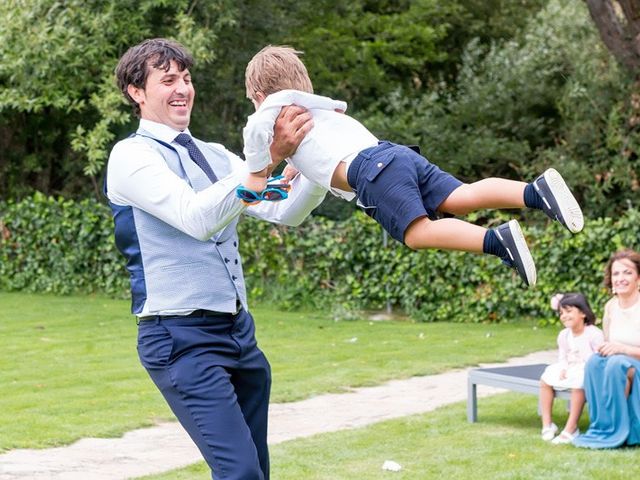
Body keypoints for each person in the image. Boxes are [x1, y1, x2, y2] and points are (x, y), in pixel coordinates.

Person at [106, 38, 327, 480]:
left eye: (186, 79)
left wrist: (319, 163)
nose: (182, 89)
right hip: (179, 338)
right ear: (136, 92)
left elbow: (284, 209)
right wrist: (265, 163)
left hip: (239, 333)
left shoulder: (216, 156)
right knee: (241, 473)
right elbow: (195, 216)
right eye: (167, 80)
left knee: (255, 471)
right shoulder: (131, 156)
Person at [240, 45, 586, 288]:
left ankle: (497, 240)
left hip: (371, 173)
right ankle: (534, 192)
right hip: (392, 154)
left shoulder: (268, 112)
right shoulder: (316, 107)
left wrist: (257, 173)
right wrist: (291, 169)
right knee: (460, 195)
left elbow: (255, 135)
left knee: (417, 233)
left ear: (258, 95)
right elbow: (321, 150)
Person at [573, 249, 640, 449]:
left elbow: (619, 350)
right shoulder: (611, 306)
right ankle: (604, 427)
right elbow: (610, 342)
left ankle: (621, 431)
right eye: (616, 273)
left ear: (638, 277)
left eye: (627, 272)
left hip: (633, 364)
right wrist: (606, 348)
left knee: (616, 364)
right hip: (621, 362)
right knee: (595, 362)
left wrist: (623, 349)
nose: (620, 278)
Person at [539, 293, 603, 444]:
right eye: (561, 313)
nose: (564, 316)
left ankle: (571, 428)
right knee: (545, 379)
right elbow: (563, 356)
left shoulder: (594, 333)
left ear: (582, 313)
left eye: (568, 311)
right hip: (570, 367)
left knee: (578, 384)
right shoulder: (563, 335)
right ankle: (547, 424)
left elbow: (597, 359)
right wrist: (563, 368)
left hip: (588, 368)